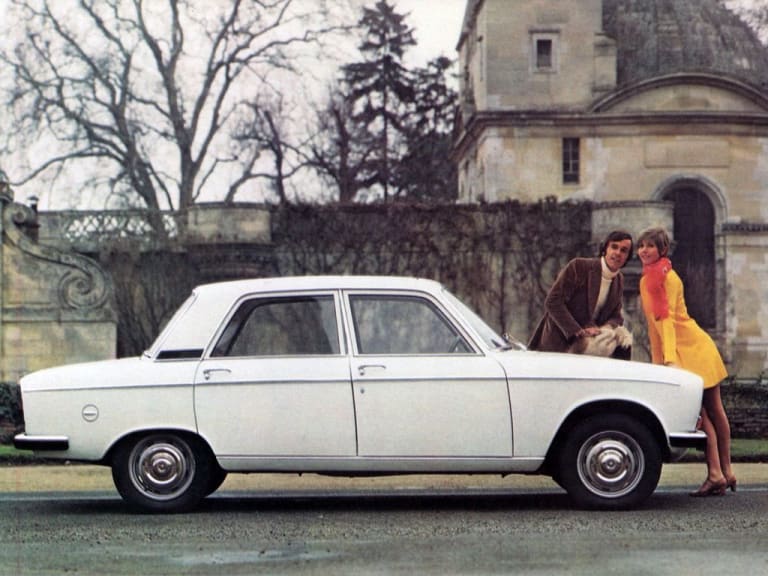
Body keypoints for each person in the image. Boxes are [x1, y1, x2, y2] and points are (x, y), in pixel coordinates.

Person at [637, 227, 735, 497]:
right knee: (707, 412)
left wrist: (668, 360)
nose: (644, 250)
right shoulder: (650, 278)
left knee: (709, 412)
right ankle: (722, 472)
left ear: (662, 250)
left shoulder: (664, 278)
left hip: (692, 349)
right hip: (684, 349)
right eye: (641, 246)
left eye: (650, 246)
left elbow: (666, 320)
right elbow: (654, 327)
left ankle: (720, 473)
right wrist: (658, 361)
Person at [528, 229, 633, 358]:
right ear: (605, 249)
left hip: (592, 344)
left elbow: (616, 316)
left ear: (627, 257)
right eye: (614, 247)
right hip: (560, 344)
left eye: (624, 250)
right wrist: (578, 330)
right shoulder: (579, 266)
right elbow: (553, 301)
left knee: (624, 342)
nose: (618, 253)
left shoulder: (618, 279)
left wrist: (604, 329)